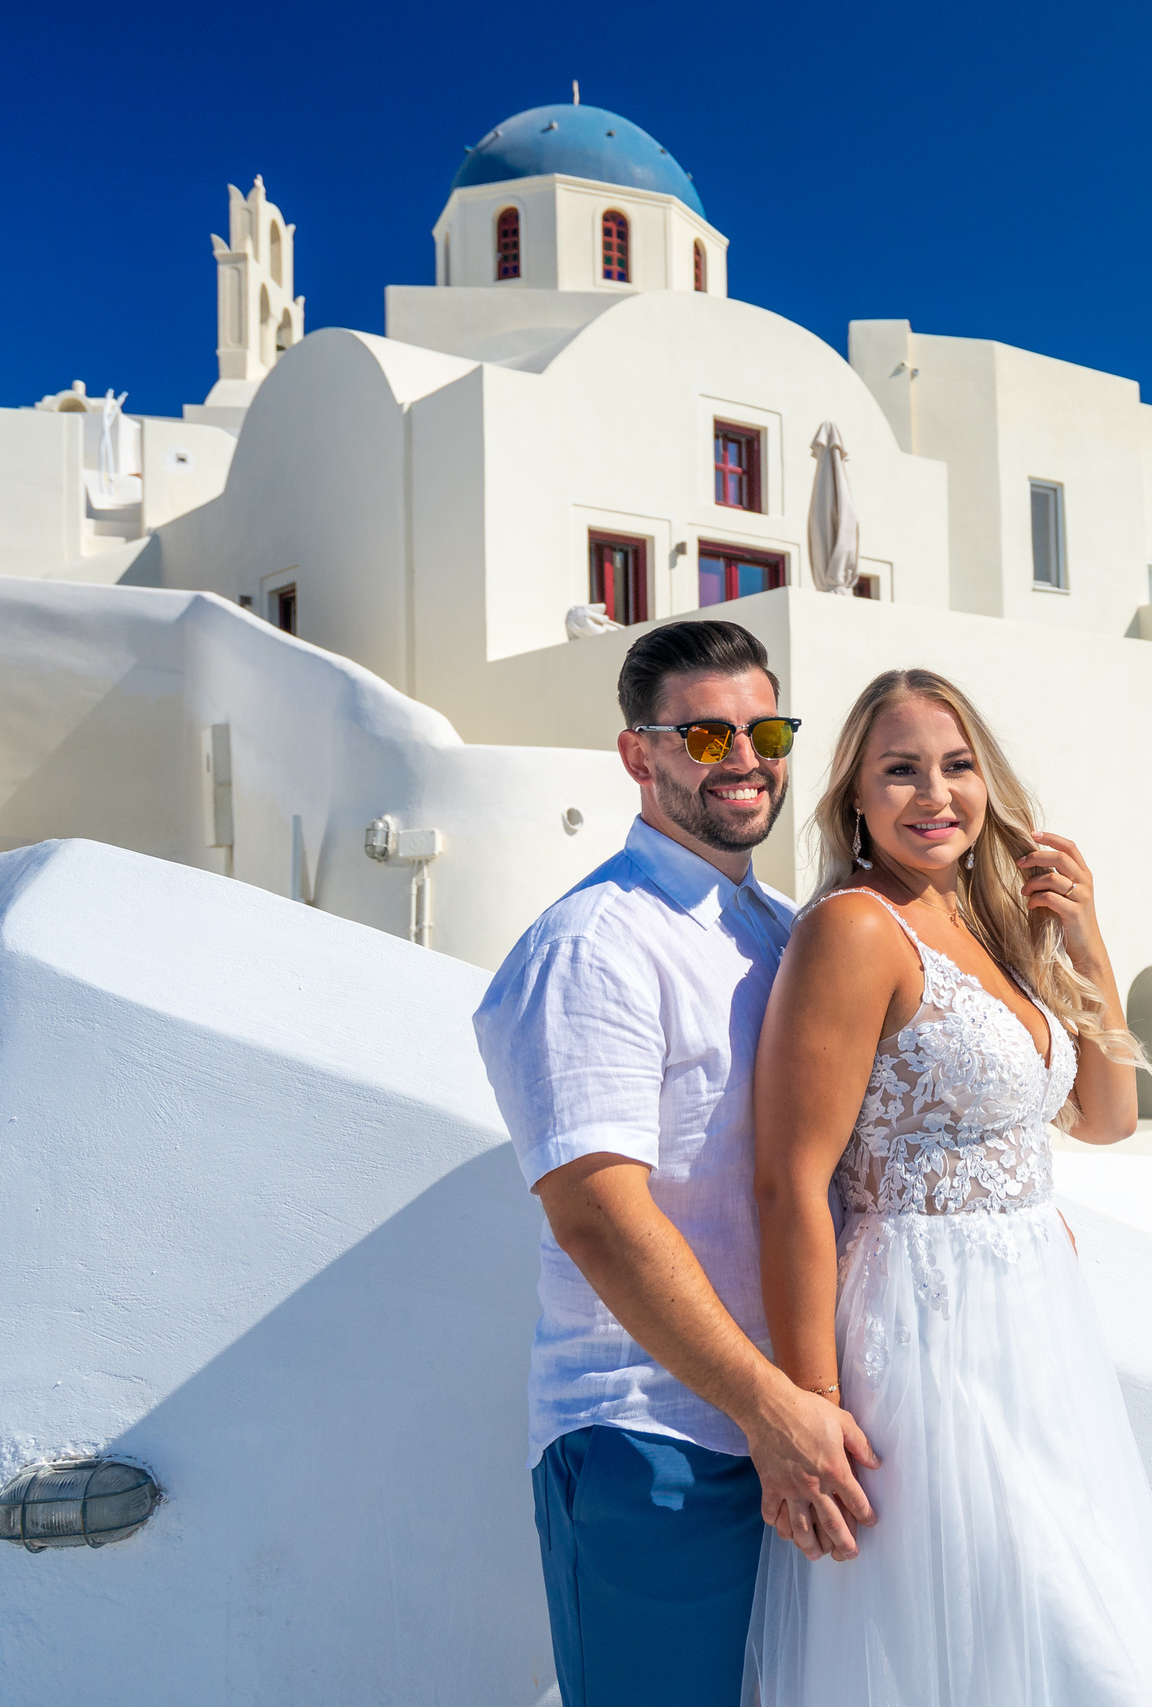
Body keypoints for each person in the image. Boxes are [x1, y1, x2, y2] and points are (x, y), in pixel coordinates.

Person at [746, 668, 1152, 1706]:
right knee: (1062, 1657)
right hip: (924, 1337)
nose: (935, 794)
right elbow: (789, 1182)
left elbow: (1105, 1117)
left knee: (1047, 1651)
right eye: (901, 770)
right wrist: (807, 1411)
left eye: (957, 767)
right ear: (854, 799)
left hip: (1035, 1333)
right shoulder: (858, 929)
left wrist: (1084, 935)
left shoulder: (987, 924)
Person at [473, 620, 876, 1707]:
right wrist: (767, 1408)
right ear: (638, 755)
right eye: (705, 737)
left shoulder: (787, 932)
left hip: (798, 1434)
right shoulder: (593, 946)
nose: (745, 758)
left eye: (768, 729)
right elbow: (598, 1217)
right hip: (656, 1439)